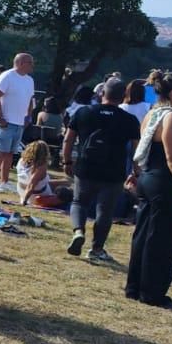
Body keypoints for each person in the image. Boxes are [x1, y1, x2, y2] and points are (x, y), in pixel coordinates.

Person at [126, 72, 172, 309]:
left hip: (148, 177)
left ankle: (135, 286)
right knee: (164, 239)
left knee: (144, 233)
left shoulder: (151, 114)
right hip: (165, 181)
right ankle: (153, 292)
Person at [62, 77, 142, 262]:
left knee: (79, 202)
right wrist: (136, 171)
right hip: (114, 171)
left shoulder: (84, 112)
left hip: (86, 166)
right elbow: (137, 149)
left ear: (102, 93)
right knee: (105, 210)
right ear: (123, 96)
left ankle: (78, 231)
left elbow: (68, 139)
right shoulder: (129, 119)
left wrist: (67, 162)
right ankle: (97, 248)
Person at [0, 52, 35, 192]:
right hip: (5, 121)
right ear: (20, 63)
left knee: (10, 153)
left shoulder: (29, 80)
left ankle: (4, 181)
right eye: (30, 62)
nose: (32, 66)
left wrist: (28, 117)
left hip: (19, 121)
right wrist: (1, 118)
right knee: (1, 151)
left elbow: (30, 100)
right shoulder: (7, 76)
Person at [16, 140, 65, 209]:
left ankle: (71, 183)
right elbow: (31, 186)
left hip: (21, 190)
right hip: (37, 197)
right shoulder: (41, 166)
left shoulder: (21, 160)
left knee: (63, 182)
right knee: (66, 193)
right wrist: (24, 201)